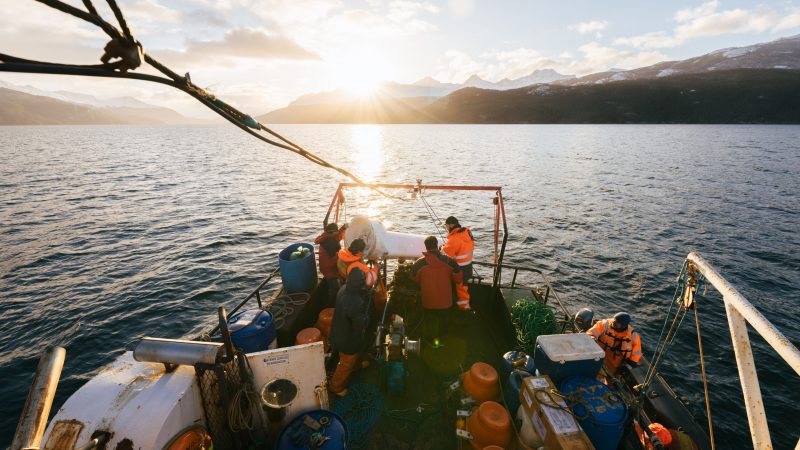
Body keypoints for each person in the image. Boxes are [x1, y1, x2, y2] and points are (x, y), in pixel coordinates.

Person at [328, 267, 371, 396]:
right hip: (347, 340)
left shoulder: (343, 288)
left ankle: (355, 365)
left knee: (350, 358)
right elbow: (360, 323)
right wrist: (366, 318)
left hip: (337, 330)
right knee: (346, 363)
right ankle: (336, 387)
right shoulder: (355, 301)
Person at [411, 236, 463, 339]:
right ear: (437, 245)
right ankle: (443, 337)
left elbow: (414, 279)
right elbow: (458, 279)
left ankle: (429, 337)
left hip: (427, 302)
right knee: (444, 322)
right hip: (446, 303)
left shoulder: (419, 263)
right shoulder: (449, 261)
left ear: (426, 247)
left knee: (429, 321)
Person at [586, 312, 642, 376]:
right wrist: (592, 338)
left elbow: (636, 354)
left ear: (623, 326)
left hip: (616, 363)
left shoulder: (633, 335)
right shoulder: (604, 324)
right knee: (592, 371)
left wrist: (628, 366)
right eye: (614, 320)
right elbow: (591, 333)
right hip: (599, 356)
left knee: (611, 377)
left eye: (617, 322)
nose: (614, 322)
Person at [441, 216, 474, 310]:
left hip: (460, 270)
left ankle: (464, 310)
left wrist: (442, 248)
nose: (446, 228)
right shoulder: (467, 232)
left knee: (462, 291)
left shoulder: (454, 239)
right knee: (463, 288)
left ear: (451, 225)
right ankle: (462, 307)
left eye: (447, 226)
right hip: (468, 267)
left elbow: (444, 254)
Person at [315, 222, 341, 308]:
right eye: (337, 231)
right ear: (332, 232)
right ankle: (331, 306)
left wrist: (343, 228)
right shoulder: (330, 242)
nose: (338, 232)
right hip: (330, 270)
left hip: (324, 267)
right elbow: (335, 257)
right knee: (335, 289)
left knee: (331, 284)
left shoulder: (325, 237)